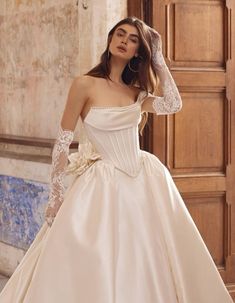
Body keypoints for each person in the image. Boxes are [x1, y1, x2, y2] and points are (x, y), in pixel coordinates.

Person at [0, 16, 233, 303]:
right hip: (104, 184)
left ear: (138, 51)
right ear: (110, 41)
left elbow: (174, 103)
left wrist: (159, 56)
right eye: (120, 34)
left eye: (133, 39)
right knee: (100, 257)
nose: (124, 40)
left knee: (148, 255)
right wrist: (56, 195)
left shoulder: (137, 93)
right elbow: (62, 143)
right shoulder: (84, 85)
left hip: (144, 180)